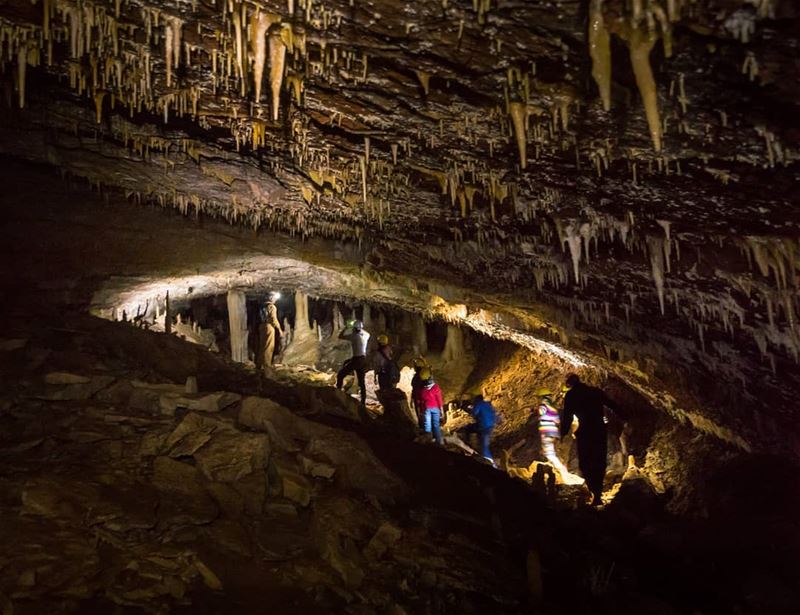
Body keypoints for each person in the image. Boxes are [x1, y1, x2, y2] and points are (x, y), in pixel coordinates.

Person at [560, 374, 626, 506]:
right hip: (599, 431)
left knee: (586, 462)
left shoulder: (571, 396)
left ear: (569, 384)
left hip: (585, 432)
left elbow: (567, 416)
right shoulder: (595, 392)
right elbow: (611, 404)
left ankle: (593, 492)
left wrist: (563, 432)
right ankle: (597, 494)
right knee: (599, 461)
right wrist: (625, 416)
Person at [534, 388, 581, 484]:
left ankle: (563, 471)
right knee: (549, 451)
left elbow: (541, 415)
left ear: (541, 397)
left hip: (546, 431)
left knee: (550, 453)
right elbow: (557, 420)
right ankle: (560, 468)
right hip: (553, 432)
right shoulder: (553, 407)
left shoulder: (543, 406)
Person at [336, 320, 370, 405]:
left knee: (340, 375)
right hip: (363, 359)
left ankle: (338, 395)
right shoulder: (365, 336)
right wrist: (359, 328)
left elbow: (340, 336)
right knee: (362, 382)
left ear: (354, 329)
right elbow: (366, 332)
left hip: (356, 360)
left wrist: (347, 327)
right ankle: (363, 401)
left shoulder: (353, 336)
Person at [464, 391, 497, 464]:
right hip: (490, 426)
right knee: (480, 440)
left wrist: (469, 409)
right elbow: (494, 414)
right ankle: (474, 446)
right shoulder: (488, 404)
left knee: (484, 447)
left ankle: (492, 464)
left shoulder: (478, 404)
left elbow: (474, 413)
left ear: (477, 400)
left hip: (483, 427)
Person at [415, 368, 443, 445]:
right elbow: (439, 399)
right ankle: (438, 441)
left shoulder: (422, 390)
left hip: (426, 408)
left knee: (428, 425)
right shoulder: (435, 387)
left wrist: (420, 410)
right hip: (435, 408)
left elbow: (419, 401)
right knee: (436, 425)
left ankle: (429, 441)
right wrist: (441, 410)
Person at [262, 292, 283, 373]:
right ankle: (267, 365)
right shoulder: (272, 306)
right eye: (274, 298)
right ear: (271, 298)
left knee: (263, 345)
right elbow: (273, 319)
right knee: (269, 346)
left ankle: (260, 365)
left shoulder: (262, 306)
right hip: (269, 326)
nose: (275, 300)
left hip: (261, 326)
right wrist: (279, 329)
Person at [410, 356, 429, 430]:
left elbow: (415, 388)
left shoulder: (417, 377)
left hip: (419, 399)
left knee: (421, 415)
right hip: (424, 399)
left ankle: (424, 429)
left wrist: (412, 399)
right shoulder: (426, 375)